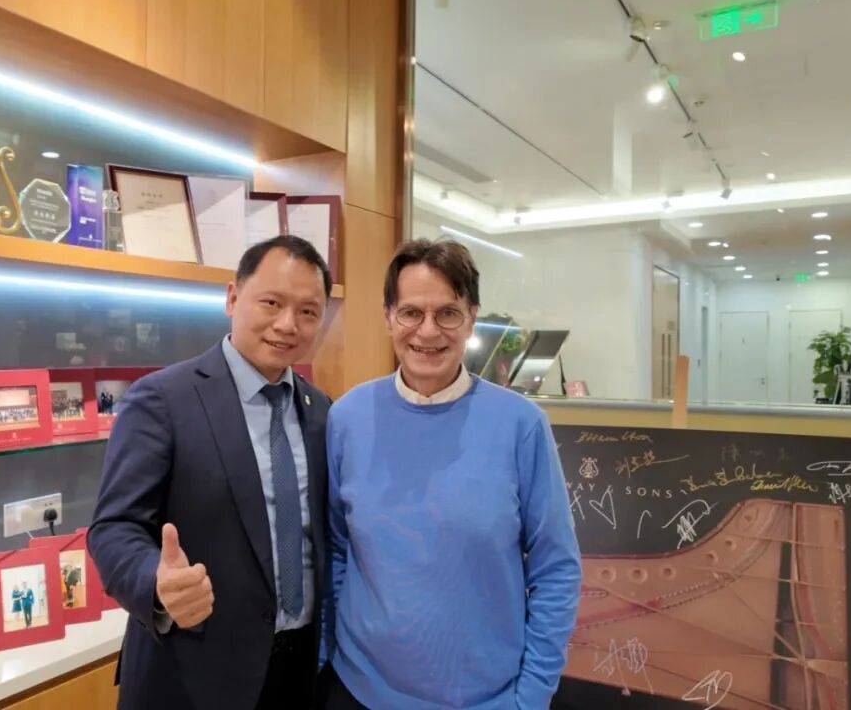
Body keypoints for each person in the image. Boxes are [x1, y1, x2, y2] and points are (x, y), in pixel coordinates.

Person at [319, 239, 582, 709]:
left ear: (472, 318)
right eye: (411, 312)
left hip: (485, 697)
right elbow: (338, 549)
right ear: (388, 317)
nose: (428, 331)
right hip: (358, 688)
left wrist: (531, 698)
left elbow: (556, 568)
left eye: (447, 313)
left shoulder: (520, 425)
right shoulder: (348, 417)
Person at [88, 235, 333, 710]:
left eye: (308, 311)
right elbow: (114, 527)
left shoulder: (319, 409)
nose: (288, 324)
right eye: (272, 302)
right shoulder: (162, 399)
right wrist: (155, 582)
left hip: (297, 672)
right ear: (233, 298)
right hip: (193, 675)